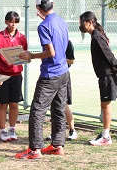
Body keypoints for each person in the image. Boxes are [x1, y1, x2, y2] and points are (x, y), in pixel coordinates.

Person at [15, 0, 69, 159]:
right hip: (64, 72)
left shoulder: (43, 26)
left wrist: (32, 56)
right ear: (53, 4)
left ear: (38, 8)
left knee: (37, 110)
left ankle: (34, 149)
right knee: (59, 109)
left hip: (50, 74)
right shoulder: (61, 21)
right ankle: (57, 144)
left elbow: (50, 52)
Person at [78, 11, 117, 146]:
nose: (80, 25)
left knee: (105, 106)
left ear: (90, 22)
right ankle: (105, 134)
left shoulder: (97, 36)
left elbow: (109, 55)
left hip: (108, 76)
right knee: (104, 106)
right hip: (104, 76)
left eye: (82, 23)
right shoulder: (95, 35)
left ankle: (106, 137)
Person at [37, 11, 78, 141]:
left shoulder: (66, 42)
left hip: (58, 75)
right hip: (57, 73)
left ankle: (72, 130)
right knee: (55, 108)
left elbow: (69, 59)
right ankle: (57, 138)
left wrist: (32, 56)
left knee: (61, 106)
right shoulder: (52, 28)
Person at [0, 11, 28, 142]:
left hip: (16, 75)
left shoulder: (22, 38)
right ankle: (2, 130)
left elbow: (24, 55)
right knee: (2, 104)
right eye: (11, 21)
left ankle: (12, 129)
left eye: (16, 22)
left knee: (14, 103)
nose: (14, 24)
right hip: (2, 75)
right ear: (6, 22)